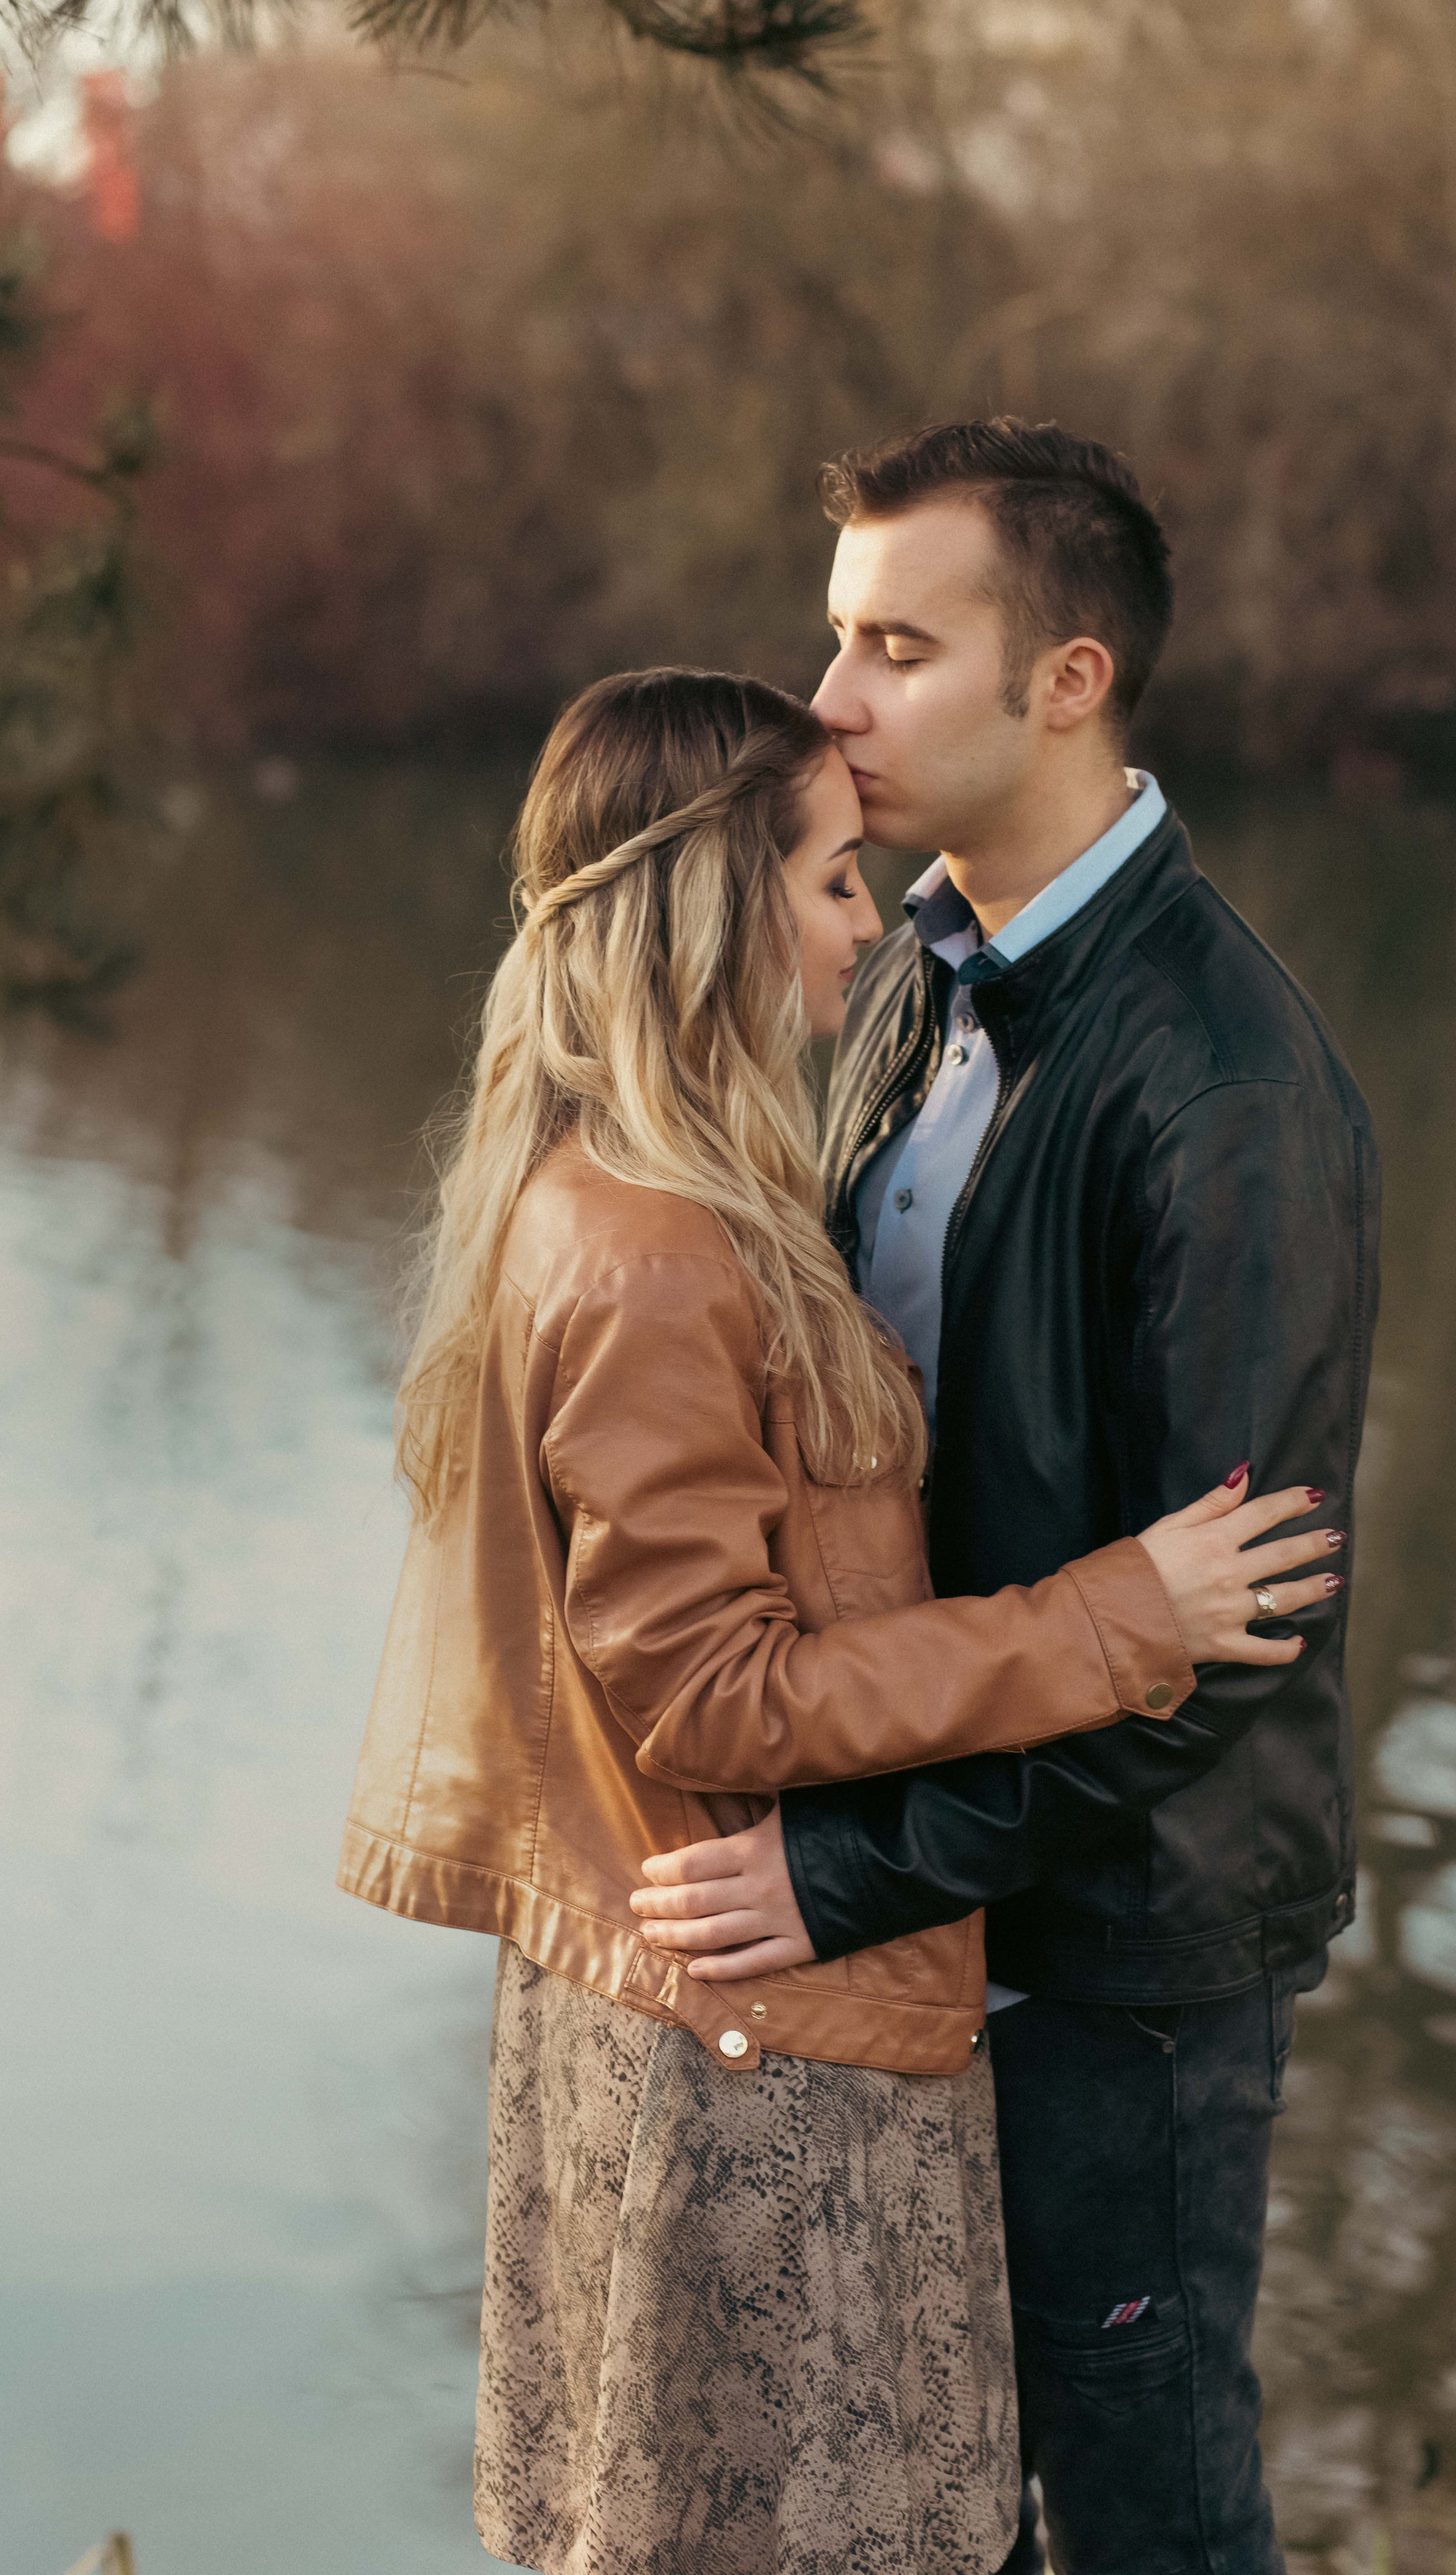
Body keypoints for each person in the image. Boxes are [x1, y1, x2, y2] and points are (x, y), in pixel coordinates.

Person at [337, 665, 1338, 2575]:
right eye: (824, 882)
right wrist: (1116, 1612)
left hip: (754, 2007)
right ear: (711, 912)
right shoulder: (646, 1243)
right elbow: (713, 1691)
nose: (867, 921)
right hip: (755, 2056)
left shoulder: (699, 1192)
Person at [629, 426, 1381, 2575]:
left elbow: (1232, 1639)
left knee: (1143, 2506)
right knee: (934, 2499)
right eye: (832, 636)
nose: (831, 699)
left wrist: (853, 1873)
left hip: (1123, 1948)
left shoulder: (1228, 1088)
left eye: (894, 646)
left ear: (1065, 680)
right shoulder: (915, 971)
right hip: (937, 1887)